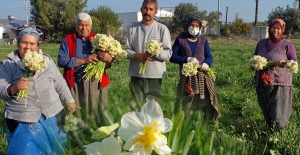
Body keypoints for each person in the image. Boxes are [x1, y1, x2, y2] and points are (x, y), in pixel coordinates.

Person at [0, 28, 77, 154]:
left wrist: (69, 100)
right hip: (23, 120)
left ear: (37, 46)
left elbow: (59, 82)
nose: (27, 47)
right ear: (18, 43)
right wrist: (13, 88)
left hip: (52, 115)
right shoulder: (8, 64)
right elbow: (1, 87)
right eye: (24, 42)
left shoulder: (47, 61)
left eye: (32, 44)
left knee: (55, 150)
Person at [58, 12, 113, 128]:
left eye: (87, 25)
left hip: (96, 81)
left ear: (91, 26)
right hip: (75, 81)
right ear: (75, 25)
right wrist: (84, 60)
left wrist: (109, 60)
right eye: (81, 25)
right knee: (77, 112)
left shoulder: (98, 39)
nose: (84, 28)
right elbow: (61, 61)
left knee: (98, 111)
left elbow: (106, 65)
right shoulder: (68, 40)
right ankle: (78, 138)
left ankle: (101, 136)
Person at [170, 15, 221, 122]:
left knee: (206, 98)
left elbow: (209, 56)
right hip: (187, 77)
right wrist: (186, 59)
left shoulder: (203, 40)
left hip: (202, 76)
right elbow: (172, 57)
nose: (194, 27)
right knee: (187, 101)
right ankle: (186, 123)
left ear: (200, 27)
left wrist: (207, 63)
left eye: (197, 25)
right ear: (187, 26)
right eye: (192, 25)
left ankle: (208, 121)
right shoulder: (180, 40)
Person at [125, 0, 172, 109]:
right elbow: (126, 51)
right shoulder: (132, 29)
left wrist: (155, 52)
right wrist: (137, 56)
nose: (147, 11)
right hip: (136, 75)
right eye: (145, 8)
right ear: (141, 10)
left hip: (154, 76)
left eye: (151, 9)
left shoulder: (162, 29)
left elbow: (168, 53)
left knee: (153, 109)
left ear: (155, 12)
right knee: (136, 107)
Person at [253, 18, 298, 131]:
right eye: (273, 27)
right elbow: (254, 58)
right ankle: (271, 131)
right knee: (266, 109)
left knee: (278, 113)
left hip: (280, 83)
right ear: (269, 28)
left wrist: (283, 62)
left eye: (278, 28)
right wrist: (254, 64)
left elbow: (294, 62)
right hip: (263, 82)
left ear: (282, 30)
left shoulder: (287, 44)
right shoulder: (261, 43)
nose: (275, 30)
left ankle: (279, 133)